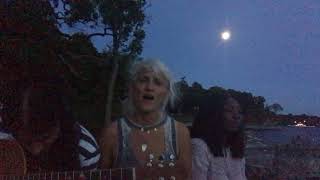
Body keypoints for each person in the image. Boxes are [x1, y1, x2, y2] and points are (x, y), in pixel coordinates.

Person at [100, 59, 192, 179]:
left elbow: (187, 176)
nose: (149, 87)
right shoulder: (112, 133)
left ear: (166, 93)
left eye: (158, 82)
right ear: (132, 88)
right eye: (143, 80)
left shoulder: (180, 133)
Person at [1, 81, 100, 174]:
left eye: (45, 138)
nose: (36, 150)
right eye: (28, 142)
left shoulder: (86, 154)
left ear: (61, 125)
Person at [191, 93, 246, 180]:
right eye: (228, 110)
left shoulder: (235, 149)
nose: (236, 116)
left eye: (239, 111)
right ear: (213, 114)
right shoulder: (199, 146)